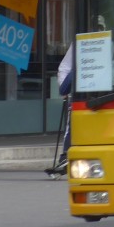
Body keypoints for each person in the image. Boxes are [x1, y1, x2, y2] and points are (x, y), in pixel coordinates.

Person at [47, 44, 74, 176]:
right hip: (80, 96)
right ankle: (65, 156)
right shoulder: (79, 43)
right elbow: (64, 68)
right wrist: (64, 89)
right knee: (72, 125)